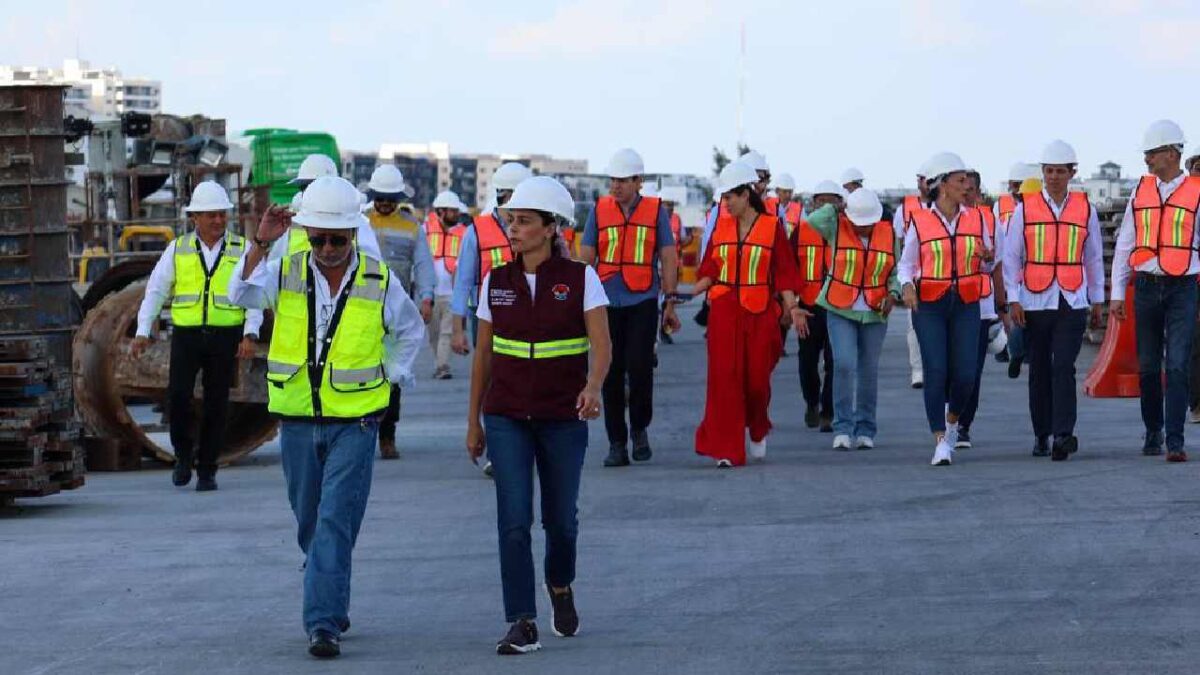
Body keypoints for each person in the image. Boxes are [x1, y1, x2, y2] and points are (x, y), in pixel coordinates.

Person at [228, 176, 425, 658]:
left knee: (334, 521)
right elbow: (239, 294)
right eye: (319, 238)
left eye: (338, 239)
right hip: (296, 420)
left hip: (356, 422)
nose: (329, 248)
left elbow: (410, 332)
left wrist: (391, 374)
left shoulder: (379, 280)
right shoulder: (285, 267)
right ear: (308, 233)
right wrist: (260, 242)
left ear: (354, 234)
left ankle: (321, 624)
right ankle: (330, 594)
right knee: (309, 524)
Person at [465, 176, 612, 655]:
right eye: (511, 220)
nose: (514, 229)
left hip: (562, 417)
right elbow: (483, 355)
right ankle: (522, 622)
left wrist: (592, 386)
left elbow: (602, 345)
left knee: (561, 521)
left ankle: (561, 585)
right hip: (506, 415)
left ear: (551, 228)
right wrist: (474, 422)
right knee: (512, 520)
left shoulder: (580, 279)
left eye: (525, 221)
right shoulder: (496, 281)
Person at [130, 182, 262, 491]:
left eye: (222, 215)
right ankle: (183, 455)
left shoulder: (242, 250)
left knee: (217, 403)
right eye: (211, 215)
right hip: (187, 335)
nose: (218, 221)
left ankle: (207, 468)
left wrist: (250, 333)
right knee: (178, 397)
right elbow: (156, 290)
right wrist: (142, 330)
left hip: (225, 335)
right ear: (195, 218)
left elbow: (254, 292)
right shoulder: (178, 249)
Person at [693, 161, 807, 466]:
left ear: (746, 195)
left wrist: (792, 308)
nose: (725, 204)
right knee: (724, 380)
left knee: (757, 381)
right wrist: (683, 294)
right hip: (725, 311)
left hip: (759, 313)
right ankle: (726, 449)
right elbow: (710, 269)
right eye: (723, 198)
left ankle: (757, 427)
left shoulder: (772, 227)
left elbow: (784, 273)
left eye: (730, 197)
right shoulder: (720, 227)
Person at [1004, 140, 1105, 460]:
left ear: (1072, 173)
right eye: (1049, 171)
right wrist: (1013, 299)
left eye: (1061, 171)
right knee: (1040, 371)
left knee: (1063, 366)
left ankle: (1064, 434)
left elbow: (1093, 257)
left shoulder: (1084, 208)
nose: (1054, 177)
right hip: (1034, 299)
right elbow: (1011, 257)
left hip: (1071, 299)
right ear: (1042, 172)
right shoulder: (1025, 209)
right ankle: (1041, 433)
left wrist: (1097, 298)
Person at [580, 148, 680, 467]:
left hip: (642, 299)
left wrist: (670, 298)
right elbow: (586, 255)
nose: (616, 186)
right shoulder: (599, 210)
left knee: (639, 367)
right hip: (606, 300)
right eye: (612, 180)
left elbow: (667, 254)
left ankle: (639, 428)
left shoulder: (655, 211)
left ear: (639, 181)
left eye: (622, 180)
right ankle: (616, 443)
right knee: (609, 371)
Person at [1111, 120, 1200, 463]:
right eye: (1147, 153)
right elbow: (1125, 243)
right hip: (1146, 286)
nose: (1147, 159)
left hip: (1183, 288)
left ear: (1172, 153)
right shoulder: (1140, 191)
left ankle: (1175, 441)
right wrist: (1118, 292)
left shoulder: (1196, 191)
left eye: (1153, 153)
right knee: (1149, 366)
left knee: (1177, 365)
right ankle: (1153, 430)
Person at [899, 152, 992, 466]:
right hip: (930, 304)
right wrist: (907, 286)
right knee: (936, 370)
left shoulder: (977, 218)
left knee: (966, 374)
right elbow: (906, 265)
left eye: (967, 180)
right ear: (942, 185)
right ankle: (940, 440)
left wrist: (987, 256)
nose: (967, 186)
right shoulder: (920, 221)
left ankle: (952, 422)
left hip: (966, 301)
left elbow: (991, 260)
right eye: (960, 180)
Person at [805, 188, 899, 449]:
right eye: (858, 223)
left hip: (875, 311)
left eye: (868, 224)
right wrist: (836, 206)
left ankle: (866, 428)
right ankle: (843, 427)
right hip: (839, 306)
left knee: (868, 370)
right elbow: (812, 221)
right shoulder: (836, 226)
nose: (863, 229)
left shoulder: (889, 235)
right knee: (844, 364)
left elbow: (895, 272)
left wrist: (893, 294)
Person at [363, 165, 435, 460]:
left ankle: (388, 435)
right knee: (362, 372)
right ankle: (362, 433)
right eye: (379, 197)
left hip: (396, 313)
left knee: (393, 374)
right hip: (362, 309)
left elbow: (423, 265)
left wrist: (427, 297)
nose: (384, 202)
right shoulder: (360, 222)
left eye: (389, 197)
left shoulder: (411, 227)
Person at [452, 161, 533, 355]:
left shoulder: (535, 229)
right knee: (488, 376)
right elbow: (463, 283)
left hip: (526, 314)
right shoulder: (476, 232)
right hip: (485, 317)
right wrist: (457, 330)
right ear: (506, 196)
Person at [953, 170, 1003, 450]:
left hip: (979, 307)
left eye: (971, 189)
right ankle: (946, 419)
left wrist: (1004, 308)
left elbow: (998, 266)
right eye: (962, 187)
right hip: (945, 306)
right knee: (950, 368)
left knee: (971, 371)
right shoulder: (941, 221)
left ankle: (962, 425)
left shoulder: (989, 221)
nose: (966, 193)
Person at [792, 180, 841, 432]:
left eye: (831, 201)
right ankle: (811, 402)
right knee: (808, 360)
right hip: (808, 305)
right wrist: (791, 307)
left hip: (837, 306)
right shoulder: (800, 231)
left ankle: (828, 411)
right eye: (821, 201)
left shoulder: (846, 231)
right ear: (813, 204)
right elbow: (789, 271)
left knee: (835, 361)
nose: (826, 206)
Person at [269, 154, 381, 262]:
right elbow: (275, 267)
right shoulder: (293, 219)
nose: (312, 193)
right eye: (307, 188)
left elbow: (374, 269)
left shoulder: (353, 218)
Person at [422, 190, 468, 379]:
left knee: (446, 332)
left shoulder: (464, 233)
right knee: (433, 334)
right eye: (452, 211)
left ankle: (443, 366)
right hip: (431, 293)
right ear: (441, 211)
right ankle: (440, 363)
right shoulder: (425, 229)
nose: (456, 214)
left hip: (452, 292)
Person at [893, 165, 932, 388]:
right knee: (913, 325)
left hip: (939, 273)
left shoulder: (950, 206)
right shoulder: (905, 208)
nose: (924, 183)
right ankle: (918, 370)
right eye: (921, 179)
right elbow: (899, 243)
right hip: (914, 275)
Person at [659, 186, 691, 345]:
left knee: (669, 299)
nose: (670, 208)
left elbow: (684, 238)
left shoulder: (677, 219)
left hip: (673, 266)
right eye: (667, 204)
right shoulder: (655, 218)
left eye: (672, 205)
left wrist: (689, 239)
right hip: (657, 267)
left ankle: (664, 330)